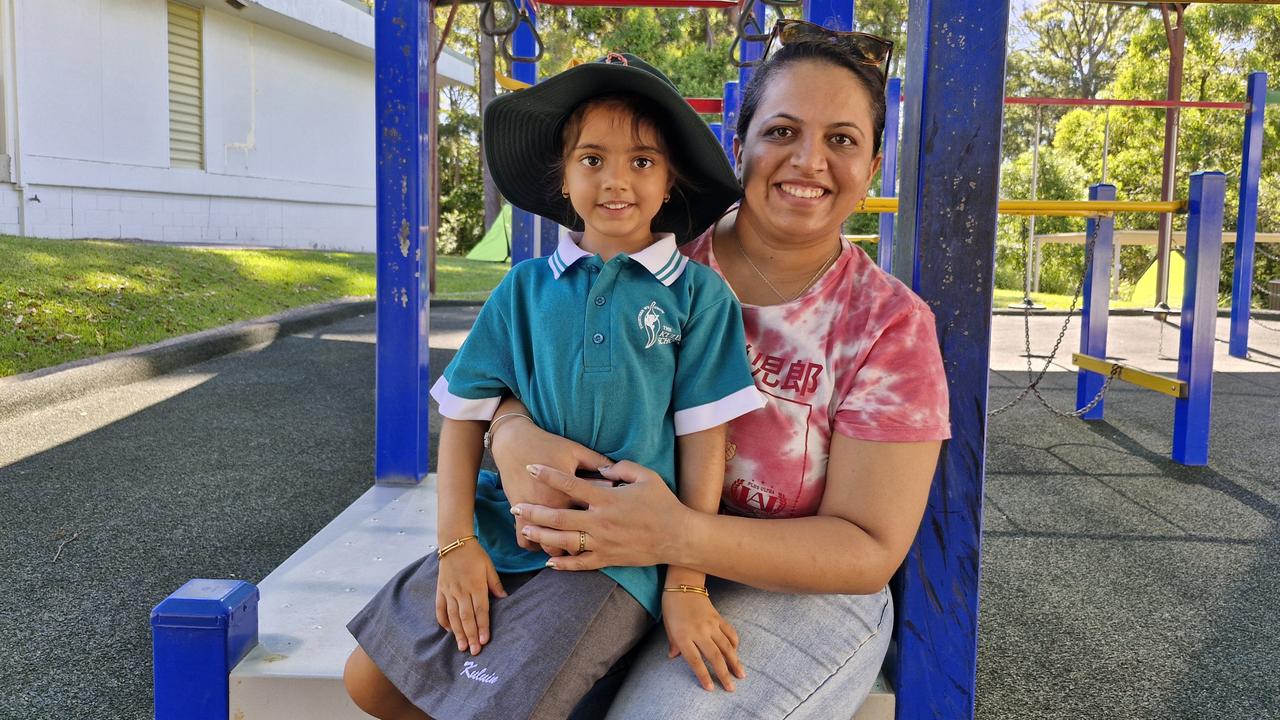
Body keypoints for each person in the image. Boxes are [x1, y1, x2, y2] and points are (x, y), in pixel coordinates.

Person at [490, 22, 953, 719]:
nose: (808, 161)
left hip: (798, 589)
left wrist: (677, 537)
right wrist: (510, 431)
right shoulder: (651, 266)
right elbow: (511, 374)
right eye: (782, 132)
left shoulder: (887, 324)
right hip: (624, 562)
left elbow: (868, 550)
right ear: (740, 146)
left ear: (874, 163)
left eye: (842, 140)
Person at [342, 53, 767, 720]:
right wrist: (456, 543)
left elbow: (705, 439)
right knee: (369, 679)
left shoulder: (697, 296)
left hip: (612, 558)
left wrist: (687, 582)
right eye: (593, 159)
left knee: (506, 707)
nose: (615, 180)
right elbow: (464, 417)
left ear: (669, 180)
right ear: (563, 179)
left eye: (642, 161)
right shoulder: (524, 288)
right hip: (503, 528)